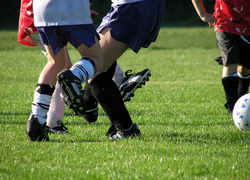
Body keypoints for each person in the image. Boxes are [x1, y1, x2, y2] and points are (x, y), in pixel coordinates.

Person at [18, 0, 150, 136]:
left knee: (54, 62)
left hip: (41, 10)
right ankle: (74, 77)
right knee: (96, 58)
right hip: (71, 6)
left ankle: (37, 118)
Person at [59, 0, 165, 139]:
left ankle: (125, 129)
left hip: (131, 7)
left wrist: (72, 7)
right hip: (147, 7)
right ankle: (90, 105)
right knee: (100, 62)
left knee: (95, 65)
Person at [191, 0, 250, 114]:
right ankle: (232, 107)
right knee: (230, 60)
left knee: (246, 67)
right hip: (224, 23)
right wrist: (202, 14)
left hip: (247, 26)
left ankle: (241, 101)